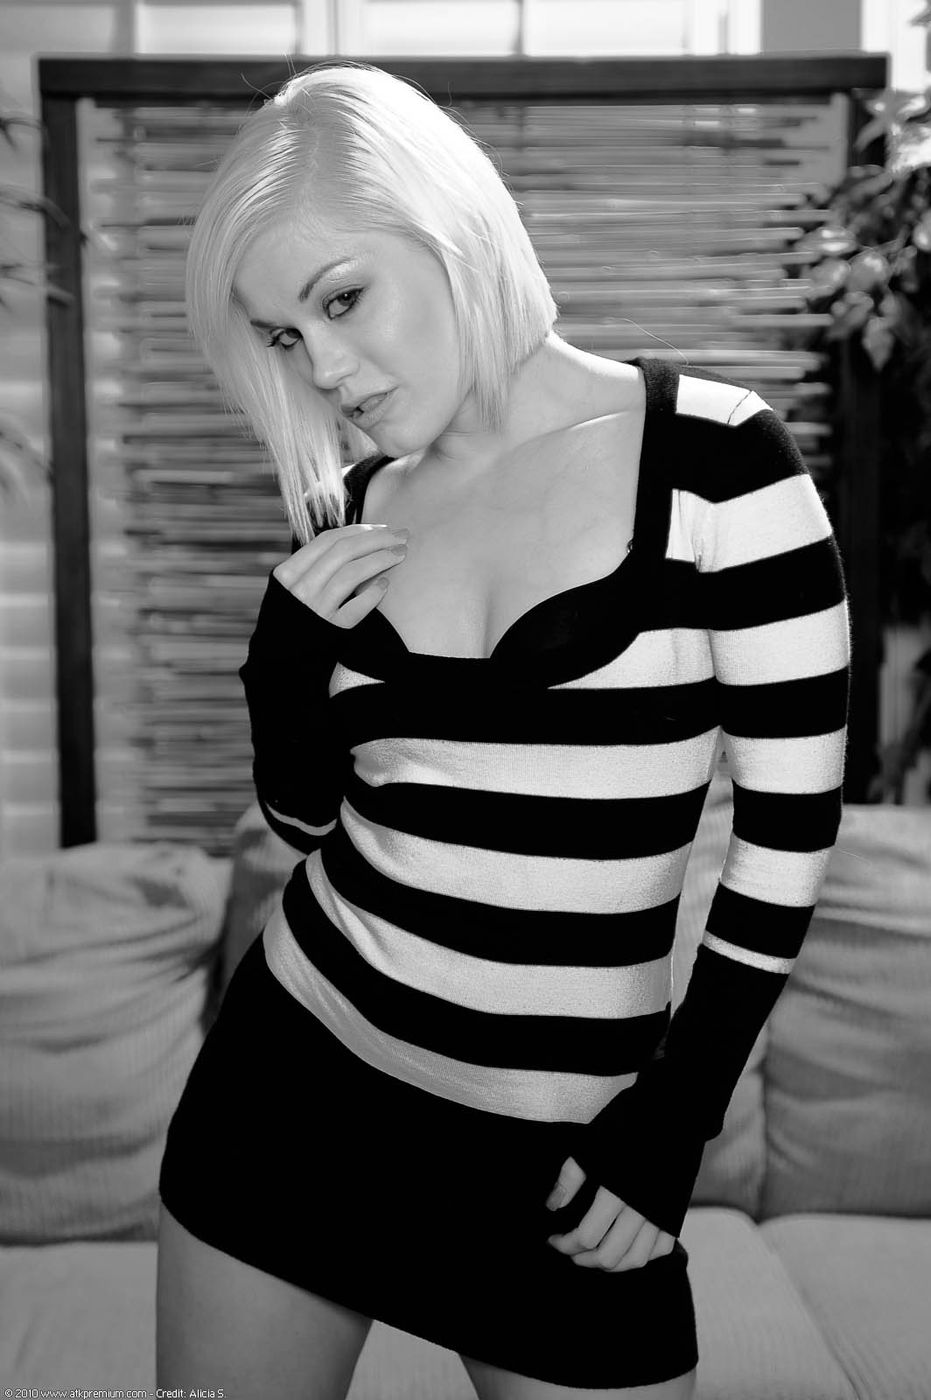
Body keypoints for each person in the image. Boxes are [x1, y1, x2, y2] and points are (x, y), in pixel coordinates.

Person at [156, 59, 851, 1400]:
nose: (326, 368)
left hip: (566, 1161)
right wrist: (278, 672)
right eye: (284, 337)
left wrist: (677, 1120)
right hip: (291, 1094)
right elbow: (307, 822)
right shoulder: (347, 507)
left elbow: (788, 834)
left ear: (449, 226)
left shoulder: (718, 463)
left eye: (341, 299)